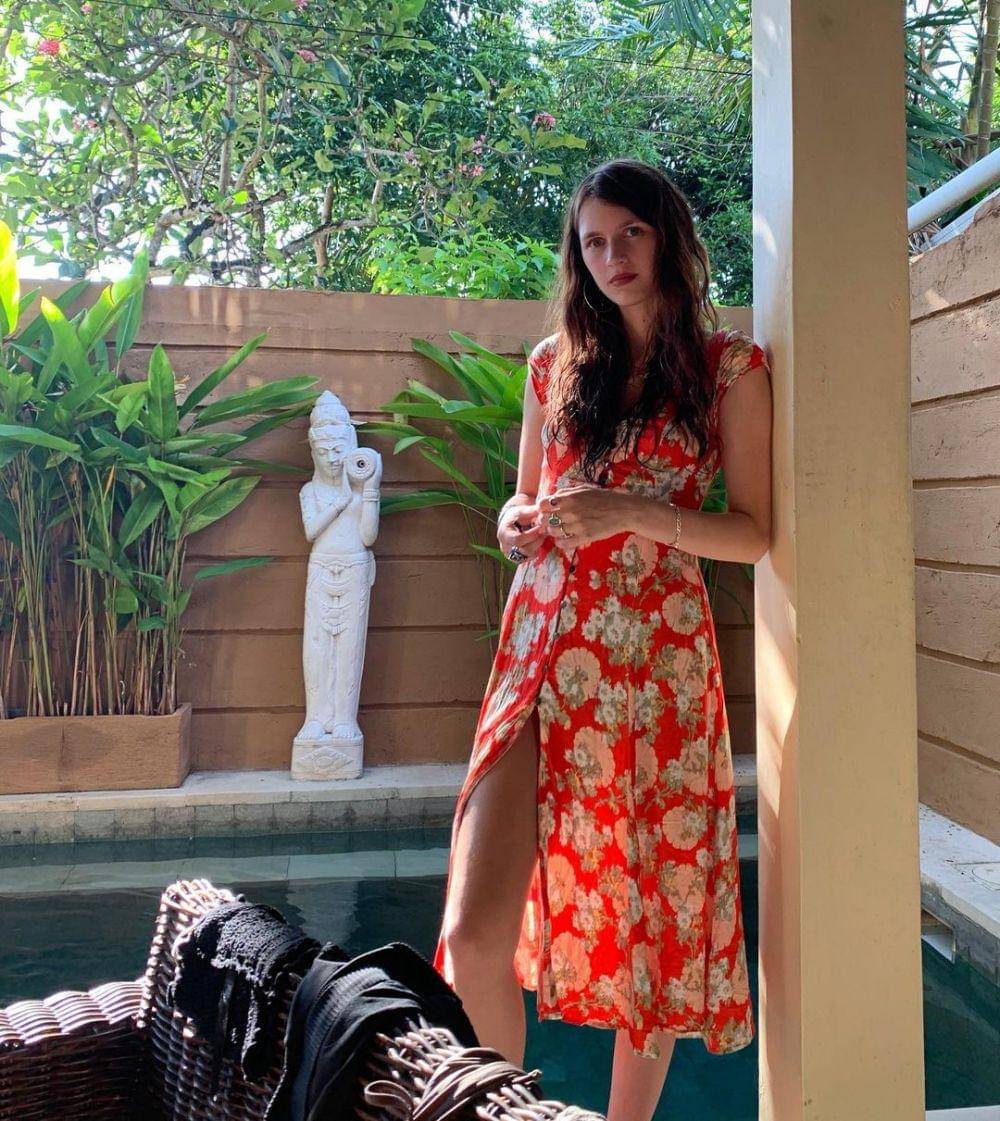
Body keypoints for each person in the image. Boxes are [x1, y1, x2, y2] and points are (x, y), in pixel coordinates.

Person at [431, 157, 772, 1121]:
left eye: (631, 234)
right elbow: (524, 497)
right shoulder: (555, 364)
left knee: (647, 930)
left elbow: (754, 532)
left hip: (656, 670)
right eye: (593, 242)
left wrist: (632, 511)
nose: (612, 255)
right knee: (472, 930)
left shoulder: (730, 367)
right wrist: (514, 522)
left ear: (668, 237)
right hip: (538, 654)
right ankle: (500, 1109)